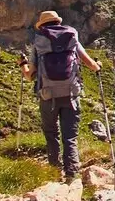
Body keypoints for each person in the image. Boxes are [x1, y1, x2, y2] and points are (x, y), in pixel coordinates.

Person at [24, 10, 100, 182]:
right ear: (58, 22)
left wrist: (22, 65)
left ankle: (54, 172)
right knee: (70, 137)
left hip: (48, 94)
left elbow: (30, 75)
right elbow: (90, 64)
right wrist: (98, 66)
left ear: (42, 25)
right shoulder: (71, 36)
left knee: (51, 133)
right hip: (70, 93)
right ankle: (72, 175)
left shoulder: (39, 41)